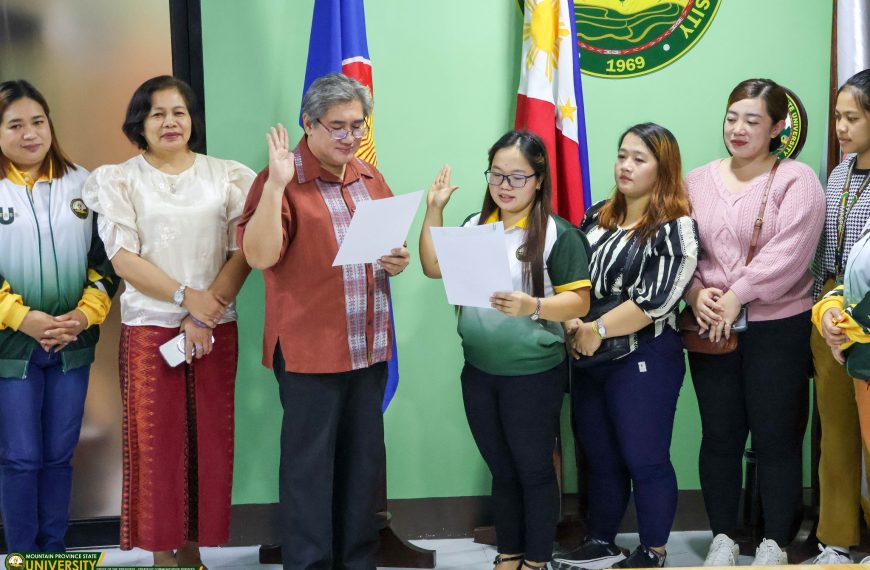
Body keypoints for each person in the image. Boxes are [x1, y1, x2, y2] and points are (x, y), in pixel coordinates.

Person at [237, 72, 410, 570]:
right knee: (309, 470)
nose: (349, 136)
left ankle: (357, 560)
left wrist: (396, 260)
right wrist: (275, 186)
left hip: (367, 345)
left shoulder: (370, 177)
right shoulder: (280, 178)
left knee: (361, 466)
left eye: (357, 125)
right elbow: (259, 256)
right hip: (309, 350)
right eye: (337, 126)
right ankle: (309, 563)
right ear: (308, 123)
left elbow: (388, 248)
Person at [82, 75, 255, 567]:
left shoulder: (227, 176)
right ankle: (162, 556)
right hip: (150, 329)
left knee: (207, 442)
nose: (170, 122)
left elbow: (242, 252)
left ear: (192, 118)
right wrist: (185, 299)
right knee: (157, 446)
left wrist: (206, 311)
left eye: (178, 111)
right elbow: (123, 259)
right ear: (140, 123)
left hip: (214, 327)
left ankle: (194, 553)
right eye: (157, 113)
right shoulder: (119, 180)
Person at [419, 130, 592, 570]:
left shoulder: (558, 234)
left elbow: (579, 302)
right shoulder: (474, 226)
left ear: (539, 179)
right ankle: (509, 552)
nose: (505, 185)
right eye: (497, 174)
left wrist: (533, 305)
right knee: (502, 468)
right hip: (479, 370)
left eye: (517, 177)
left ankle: (537, 559)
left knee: (533, 469)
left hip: (533, 374)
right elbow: (432, 266)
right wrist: (434, 208)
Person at [684, 78, 824, 566]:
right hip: (711, 326)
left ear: (778, 127)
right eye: (732, 118)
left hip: (777, 327)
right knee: (719, 436)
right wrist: (696, 293)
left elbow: (791, 253)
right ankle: (723, 537)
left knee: (776, 436)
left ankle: (774, 542)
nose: (738, 129)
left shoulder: (797, 180)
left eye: (752, 120)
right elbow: (684, 249)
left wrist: (737, 295)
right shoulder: (696, 181)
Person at [552, 123, 698, 570]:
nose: (625, 166)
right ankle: (600, 539)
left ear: (663, 168)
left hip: (644, 354)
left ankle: (653, 551)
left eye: (639, 159)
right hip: (588, 352)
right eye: (622, 155)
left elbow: (657, 299)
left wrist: (596, 329)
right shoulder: (596, 215)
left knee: (645, 457)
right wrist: (574, 324)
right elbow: (572, 278)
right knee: (599, 456)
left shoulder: (676, 227)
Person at [0, 80, 117, 553]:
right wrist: (20, 316)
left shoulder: (83, 184)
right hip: (11, 350)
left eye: (38, 122)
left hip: (72, 345)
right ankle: (23, 556)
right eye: (15, 125)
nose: (30, 134)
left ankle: (53, 554)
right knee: (20, 457)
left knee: (58, 456)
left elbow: (106, 262)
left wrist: (85, 316)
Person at [807, 68, 870, 565]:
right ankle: (836, 540)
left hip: (867, 313)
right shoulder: (840, 172)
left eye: (852, 118)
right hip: (829, 311)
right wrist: (824, 309)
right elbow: (826, 252)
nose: (841, 128)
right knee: (836, 432)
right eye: (837, 116)